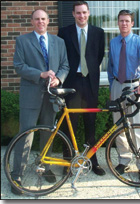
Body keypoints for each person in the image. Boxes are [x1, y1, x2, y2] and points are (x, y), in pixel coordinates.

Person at [12, 9, 70, 195]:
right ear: (32, 22)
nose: (40, 22)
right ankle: (17, 174)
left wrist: (58, 79)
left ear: (48, 21)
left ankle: (45, 166)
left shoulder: (58, 42)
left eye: (43, 19)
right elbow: (19, 66)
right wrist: (41, 74)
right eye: (37, 19)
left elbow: (65, 66)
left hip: (51, 95)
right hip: (31, 95)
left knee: (48, 132)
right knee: (26, 133)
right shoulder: (22, 41)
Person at [57, 1, 105, 176]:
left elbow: (98, 56)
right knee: (71, 125)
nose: (82, 16)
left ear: (89, 13)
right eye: (78, 13)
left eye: (84, 12)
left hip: (90, 83)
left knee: (90, 123)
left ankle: (92, 160)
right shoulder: (64, 32)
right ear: (73, 14)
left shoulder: (98, 33)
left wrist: (89, 71)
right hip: (72, 83)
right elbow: (61, 56)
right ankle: (67, 162)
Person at [107, 10, 140, 182]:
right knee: (119, 125)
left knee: (138, 127)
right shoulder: (113, 43)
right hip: (118, 85)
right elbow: (111, 66)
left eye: (127, 21)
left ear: (132, 23)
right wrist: (112, 86)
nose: (124, 24)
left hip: (134, 87)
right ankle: (124, 160)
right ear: (118, 23)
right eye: (121, 21)